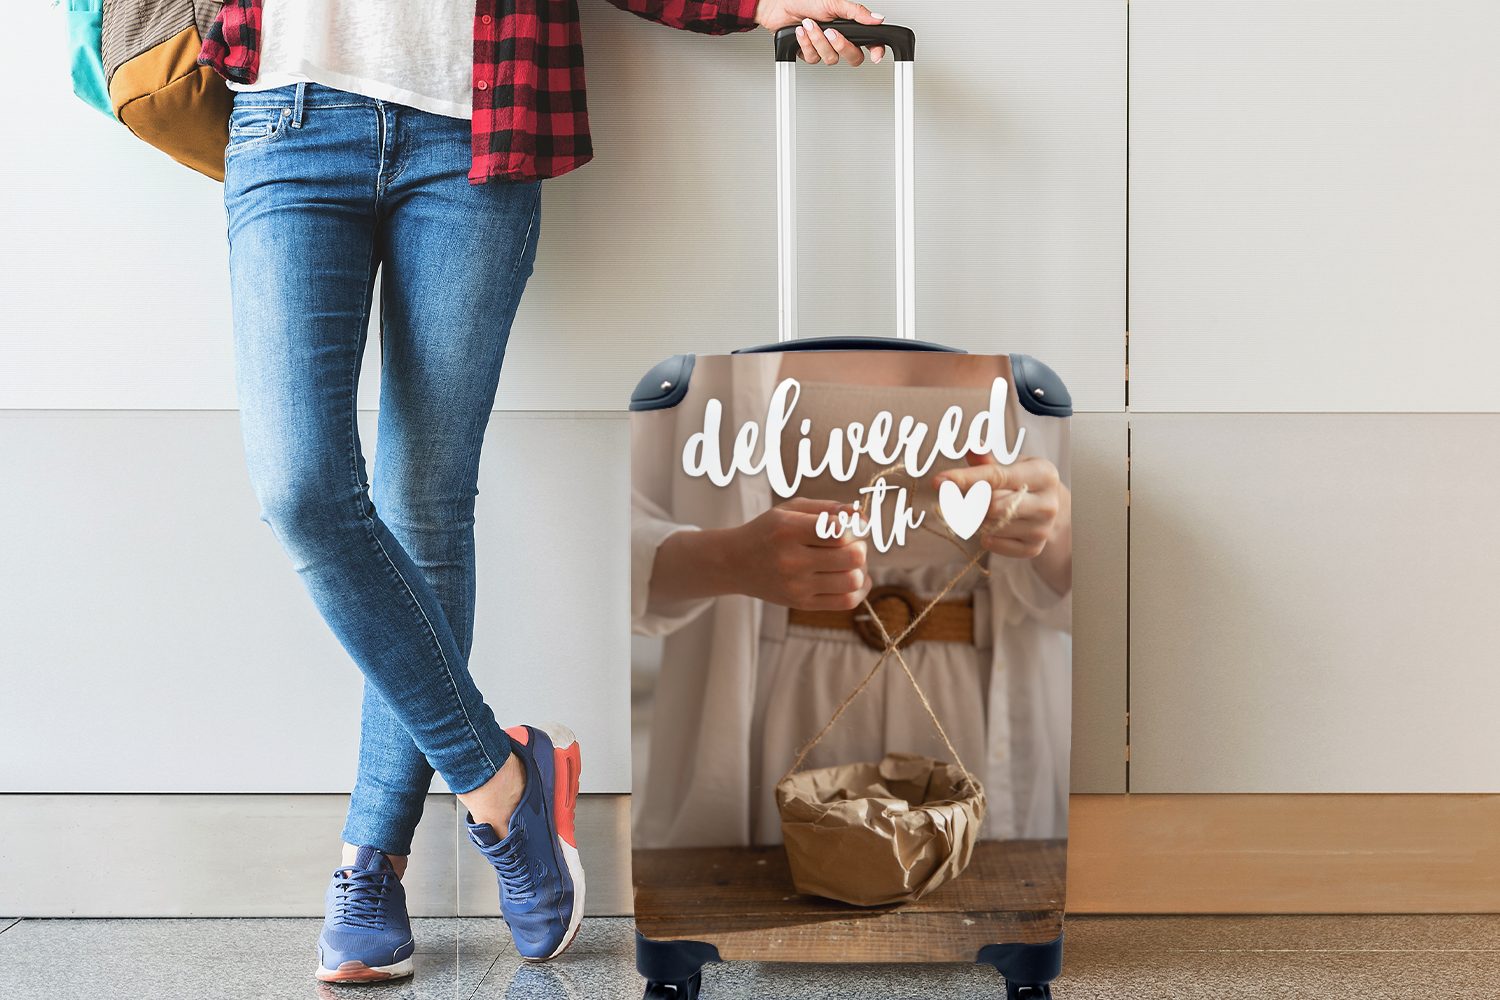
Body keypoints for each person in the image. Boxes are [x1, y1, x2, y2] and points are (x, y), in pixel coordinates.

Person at [198, 0, 890, 985]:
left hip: (474, 124)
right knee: (303, 490)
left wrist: (758, 3)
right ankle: (500, 774)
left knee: (425, 498)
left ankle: (372, 862)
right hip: (287, 116)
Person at [631, 351, 1073, 849]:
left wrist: (1056, 530)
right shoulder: (704, 341)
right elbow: (594, 539)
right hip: (775, 705)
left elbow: (1133, 586)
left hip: (983, 710)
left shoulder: (1060, 329)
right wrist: (731, 559)